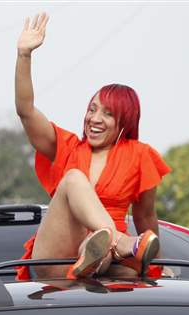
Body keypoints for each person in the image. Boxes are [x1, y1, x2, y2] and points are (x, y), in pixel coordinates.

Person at [14, 12, 170, 280]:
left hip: (105, 257)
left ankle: (98, 255)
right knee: (74, 178)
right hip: (57, 256)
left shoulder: (140, 155)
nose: (94, 119)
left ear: (125, 120)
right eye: (92, 109)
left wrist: (158, 265)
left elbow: (146, 219)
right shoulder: (67, 146)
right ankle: (116, 242)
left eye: (107, 114)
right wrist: (24, 55)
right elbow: (26, 110)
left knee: (102, 249)